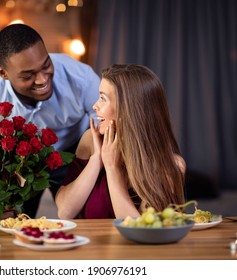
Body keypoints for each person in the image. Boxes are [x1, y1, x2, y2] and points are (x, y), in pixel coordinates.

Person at [0, 24, 100, 220]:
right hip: (18, 165)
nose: (42, 79)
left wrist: (90, 156)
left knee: (86, 219)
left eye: (46, 65)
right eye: (28, 75)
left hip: (73, 154)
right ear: (3, 73)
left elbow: (105, 119)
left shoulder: (80, 76)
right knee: (13, 227)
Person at [55, 64, 186, 219]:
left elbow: (143, 230)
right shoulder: (91, 140)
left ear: (128, 109)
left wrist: (112, 168)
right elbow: (65, 211)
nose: (95, 105)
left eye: (103, 98)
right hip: (89, 243)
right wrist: (96, 158)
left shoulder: (171, 165)